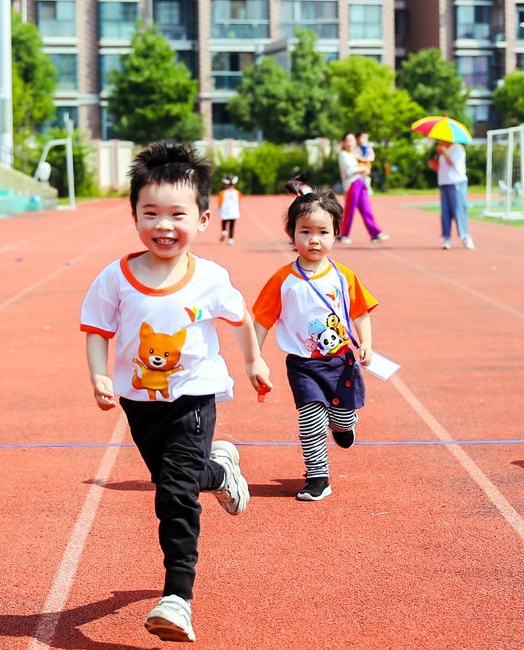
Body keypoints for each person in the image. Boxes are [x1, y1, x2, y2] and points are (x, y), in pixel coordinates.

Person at [79, 141, 272, 643]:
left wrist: (253, 360)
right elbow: (97, 330)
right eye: (151, 213)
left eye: (177, 214)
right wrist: (99, 375)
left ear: (203, 219)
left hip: (194, 397)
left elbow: (240, 318)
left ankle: (177, 597)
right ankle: (221, 469)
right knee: (175, 478)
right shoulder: (115, 278)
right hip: (139, 403)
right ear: (136, 217)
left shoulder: (209, 278)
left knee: (174, 495)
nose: (164, 225)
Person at [253, 183, 378, 500]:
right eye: (305, 231)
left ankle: (345, 424)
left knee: (340, 417)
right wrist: (255, 358)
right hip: (303, 365)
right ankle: (318, 477)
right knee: (310, 421)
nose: (313, 239)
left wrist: (366, 343)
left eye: (322, 232)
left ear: (335, 234)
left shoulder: (344, 276)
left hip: (340, 363)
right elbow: (261, 320)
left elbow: (361, 312)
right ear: (292, 234)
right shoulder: (284, 280)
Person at [337, 133, 388, 244]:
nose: (350, 143)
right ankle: (343, 234)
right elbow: (349, 170)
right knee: (349, 210)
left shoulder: (357, 153)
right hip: (352, 184)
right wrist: (362, 168)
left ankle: (375, 234)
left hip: (361, 183)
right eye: (347, 141)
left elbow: (368, 161)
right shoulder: (343, 155)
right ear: (343, 143)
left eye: (352, 140)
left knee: (367, 210)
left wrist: (365, 163)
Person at [428, 139, 473, 250]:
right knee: (445, 212)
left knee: (459, 210)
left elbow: (452, 162)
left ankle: (465, 236)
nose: (440, 142)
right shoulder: (442, 151)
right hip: (444, 183)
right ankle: (446, 238)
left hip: (456, 182)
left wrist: (443, 151)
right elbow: (441, 167)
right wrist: (434, 165)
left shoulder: (458, 149)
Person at [215, 174, 240, 246]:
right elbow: (239, 200)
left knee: (224, 222)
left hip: (225, 211)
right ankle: (230, 239)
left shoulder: (223, 193)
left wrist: (219, 208)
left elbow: (220, 201)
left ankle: (224, 231)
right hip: (234, 211)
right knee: (232, 226)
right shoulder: (237, 192)